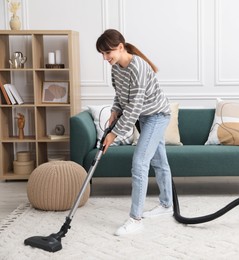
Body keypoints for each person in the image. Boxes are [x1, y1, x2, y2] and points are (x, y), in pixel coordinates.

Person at [96, 29, 173, 236]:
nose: (105, 58)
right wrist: (114, 111)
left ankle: (136, 219)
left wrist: (113, 135)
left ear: (120, 47)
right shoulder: (115, 68)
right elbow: (120, 96)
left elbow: (135, 106)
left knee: (139, 163)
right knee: (159, 161)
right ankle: (167, 205)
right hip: (144, 117)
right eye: (102, 54)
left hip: (157, 115)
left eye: (107, 53)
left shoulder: (138, 66)